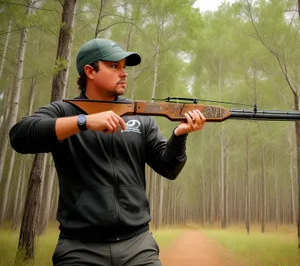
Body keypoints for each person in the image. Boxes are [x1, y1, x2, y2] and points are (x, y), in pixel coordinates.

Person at [9, 38, 206, 266]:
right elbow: (20, 136)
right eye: (114, 66)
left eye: (124, 67)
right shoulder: (63, 110)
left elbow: (169, 168)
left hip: (138, 246)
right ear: (90, 71)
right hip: (79, 248)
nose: (123, 73)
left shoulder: (138, 116)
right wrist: (83, 121)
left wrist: (180, 135)